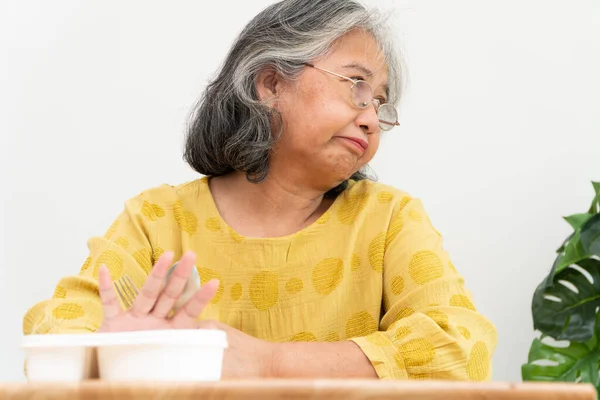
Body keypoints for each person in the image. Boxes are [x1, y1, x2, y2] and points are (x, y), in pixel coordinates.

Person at [23, 0, 497, 380]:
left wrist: (265, 363)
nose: (372, 117)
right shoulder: (156, 221)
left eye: (379, 101)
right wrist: (108, 355)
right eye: (356, 85)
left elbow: (461, 347)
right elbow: (57, 334)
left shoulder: (390, 219)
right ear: (271, 83)